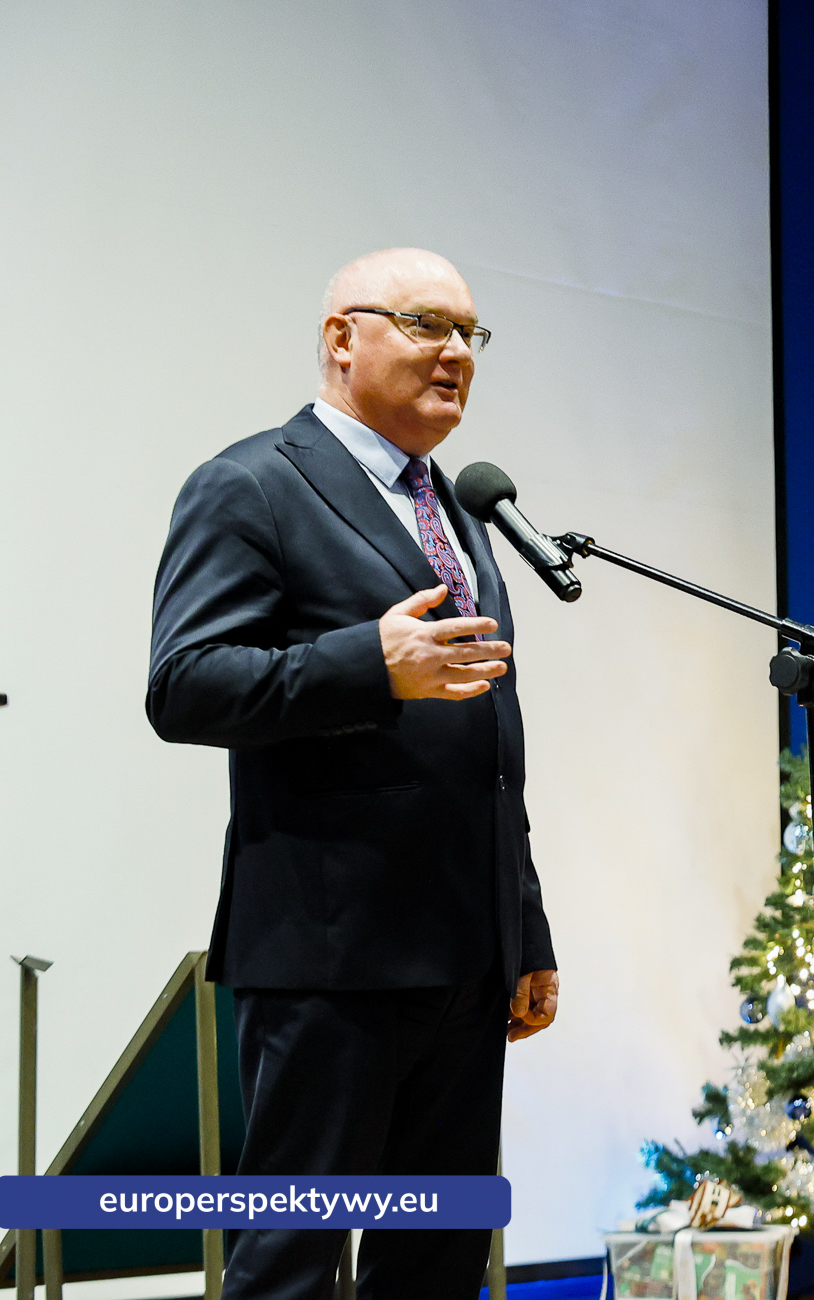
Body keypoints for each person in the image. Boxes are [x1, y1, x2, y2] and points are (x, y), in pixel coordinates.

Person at [148, 248, 560, 1300]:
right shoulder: (251, 483)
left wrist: (524, 927)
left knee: (436, 1265)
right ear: (342, 337)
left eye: (470, 334)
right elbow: (184, 685)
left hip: (465, 962)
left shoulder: (458, 509)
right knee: (289, 1267)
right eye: (428, 325)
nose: (457, 353)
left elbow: (490, 743)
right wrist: (366, 665)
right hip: (330, 963)